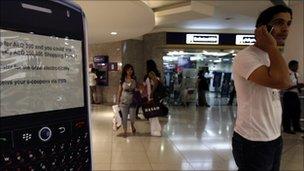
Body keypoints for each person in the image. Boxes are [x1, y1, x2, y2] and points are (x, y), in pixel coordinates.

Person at [232, 5, 292, 171]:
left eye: (288, 24)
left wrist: (272, 50)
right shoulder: (245, 57)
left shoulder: (270, 56)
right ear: (262, 29)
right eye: (279, 23)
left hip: (273, 137)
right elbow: (283, 82)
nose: (285, 29)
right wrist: (272, 47)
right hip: (253, 141)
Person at [282, 60, 304, 134]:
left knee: (297, 111)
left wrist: (300, 87)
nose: (297, 67)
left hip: (295, 95)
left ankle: (296, 127)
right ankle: (287, 128)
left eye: (297, 66)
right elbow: (285, 87)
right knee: (287, 112)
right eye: (296, 66)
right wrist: (296, 86)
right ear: (291, 66)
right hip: (288, 95)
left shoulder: (297, 74)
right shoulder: (287, 74)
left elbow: (297, 85)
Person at [117, 64, 137, 137]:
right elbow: (119, 91)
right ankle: (125, 131)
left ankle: (132, 125)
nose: (130, 71)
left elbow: (137, 88)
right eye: (128, 70)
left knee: (132, 118)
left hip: (133, 101)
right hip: (123, 101)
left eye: (131, 70)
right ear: (125, 70)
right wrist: (117, 101)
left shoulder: (134, 78)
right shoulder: (122, 80)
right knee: (124, 118)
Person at [144, 59, 162, 136]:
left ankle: (156, 130)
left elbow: (155, 82)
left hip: (152, 96)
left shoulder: (151, 73)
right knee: (153, 113)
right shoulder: (157, 73)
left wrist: (151, 93)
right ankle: (155, 129)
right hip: (154, 96)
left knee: (153, 114)